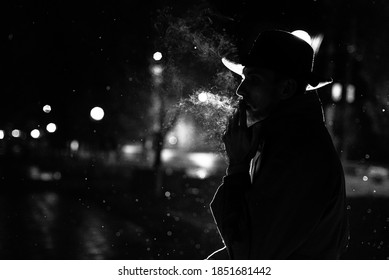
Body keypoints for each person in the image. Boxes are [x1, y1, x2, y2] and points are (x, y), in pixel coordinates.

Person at [207, 29, 349, 259]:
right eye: (244, 78)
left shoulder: (299, 152)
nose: (239, 90)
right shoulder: (282, 138)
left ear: (286, 89)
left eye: (253, 79)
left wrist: (237, 167)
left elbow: (250, 255)